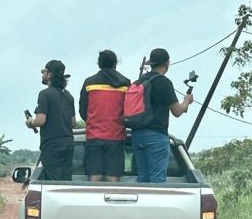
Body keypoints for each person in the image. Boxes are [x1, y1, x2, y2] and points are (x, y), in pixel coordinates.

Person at [130, 48, 193, 184]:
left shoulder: (139, 82)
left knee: (143, 177)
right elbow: (177, 111)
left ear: (150, 63)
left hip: (136, 134)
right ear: (167, 63)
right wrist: (186, 101)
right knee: (157, 180)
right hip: (156, 136)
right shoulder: (163, 82)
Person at [79, 50, 131, 181]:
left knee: (94, 176)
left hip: (94, 136)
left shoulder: (89, 83)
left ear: (99, 64)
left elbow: (82, 110)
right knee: (113, 177)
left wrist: (93, 121)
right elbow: (130, 109)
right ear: (115, 63)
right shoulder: (125, 83)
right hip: (116, 137)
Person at [26, 59, 76, 181]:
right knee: (65, 180)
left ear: (49, 74)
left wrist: (30, 122)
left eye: (43, 71)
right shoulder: (69, 96)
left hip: (52, 145)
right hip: (68, 143)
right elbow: (73, 123)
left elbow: (40, 120)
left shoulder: (45, 94)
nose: (42, 74)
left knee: (54, 181)